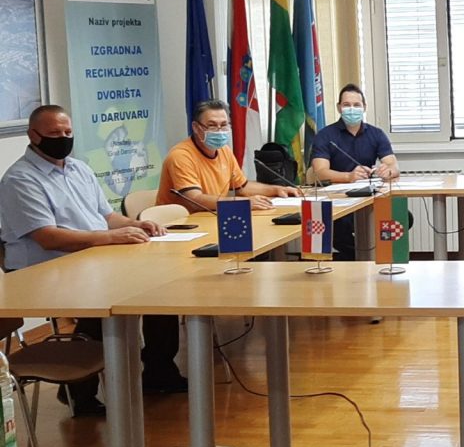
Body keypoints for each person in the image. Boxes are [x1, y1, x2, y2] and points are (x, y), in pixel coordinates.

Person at [0, 105, 171, 410]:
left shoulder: (79, 169)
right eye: (54, 133)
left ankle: (159, 371)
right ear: (33, 136)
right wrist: (110, 238)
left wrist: (136, 224)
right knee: (111, 298)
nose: (63, 138)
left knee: (159, 288)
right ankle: (80, 389)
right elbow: (48, 237)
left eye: (67, 132)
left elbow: (106, 216)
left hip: (90, 259)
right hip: (42, 272)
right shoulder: (20, 180)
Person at [157, 100, 301, 212]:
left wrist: (277, 190)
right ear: (196, 127)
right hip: (181, 225)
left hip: (212, 217)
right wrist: (242, 203)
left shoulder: (224, 150)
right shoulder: (181, 156)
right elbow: (194, 199)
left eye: (224, 125)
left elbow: (242, 187)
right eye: (212, 125)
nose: (219, 131)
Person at [309, 83, 400, 259]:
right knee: (339, 228)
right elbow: (319, 172)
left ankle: (372, 255)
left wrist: (387, 171)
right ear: (339, 108)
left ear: (364, 107)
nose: (352, 109)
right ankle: (358, 258)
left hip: (369, 197)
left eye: (356, 105)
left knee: (401, 217)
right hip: (338, 200)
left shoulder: (376, 134)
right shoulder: (325, 135)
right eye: (346, 105)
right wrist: (348, 176)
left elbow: (393, 166)